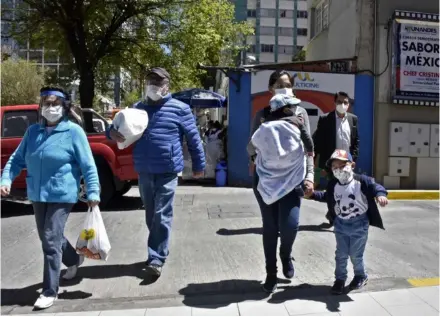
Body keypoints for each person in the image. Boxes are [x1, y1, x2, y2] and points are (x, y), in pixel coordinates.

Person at [0, 87, 100, 309]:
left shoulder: (73, 132)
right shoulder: (32, 132)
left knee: (50, 239)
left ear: (64, 107)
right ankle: (74, 259)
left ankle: (49, 290)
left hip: (63, 193)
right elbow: (16, 159)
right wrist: (5, 180)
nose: (50, 107)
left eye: (54, 103)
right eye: (46, 103)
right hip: (37, 193)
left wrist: (93, 193)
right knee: (48, 238)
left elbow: (88, 165)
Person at [107, 67, 205, 277]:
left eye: (158, 82)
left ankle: (156, 258)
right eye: (150, 81)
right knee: (151, 214)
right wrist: (111, 132)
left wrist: (199, 165)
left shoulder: (180, 108)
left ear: (167, 85)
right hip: (144, 170)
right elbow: (116, 127)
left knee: (161, 214)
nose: (153, 85)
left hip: (168, 170)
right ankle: (160, 248)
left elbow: (193, 138)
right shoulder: (137, 108)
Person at [250, 70, 314, 293]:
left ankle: (286, 255)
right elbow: (251, 147)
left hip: (293, 179)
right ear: (270, 89)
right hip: (266, 180)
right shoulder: (262, 115)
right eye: (279, 84)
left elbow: (309, 149)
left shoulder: (301, 114)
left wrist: (310, 177)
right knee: (270, 227)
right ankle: (271, 273)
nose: (284, 88)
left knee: (290, 226)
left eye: (287, 84)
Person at [309, 149, 388, 295]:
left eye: (341, 165)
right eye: (334, 167)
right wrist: (312, 195)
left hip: (359, 224)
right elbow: (327, 196)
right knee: (341, 254)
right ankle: (340, 279)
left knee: (355, 254)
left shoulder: (361, 181)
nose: (338, 169)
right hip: (340, 224)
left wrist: (380, 194)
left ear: (352, 165)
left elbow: (376, 187)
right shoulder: (333, 184)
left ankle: (360, 275)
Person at [313, 91, 359, 225]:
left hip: (347, 164)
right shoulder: (325, 119)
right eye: (339, 102)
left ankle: (334, 213)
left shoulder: (353, 119)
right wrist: (319, 164)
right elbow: (318, 143)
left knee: (346, 191)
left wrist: (353, 158)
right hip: (332, 164)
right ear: (334, 103)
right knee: (333, 191)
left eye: (345, 102)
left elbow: (356, 140)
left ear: (349, 104)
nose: (342, 105)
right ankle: (334, 217)